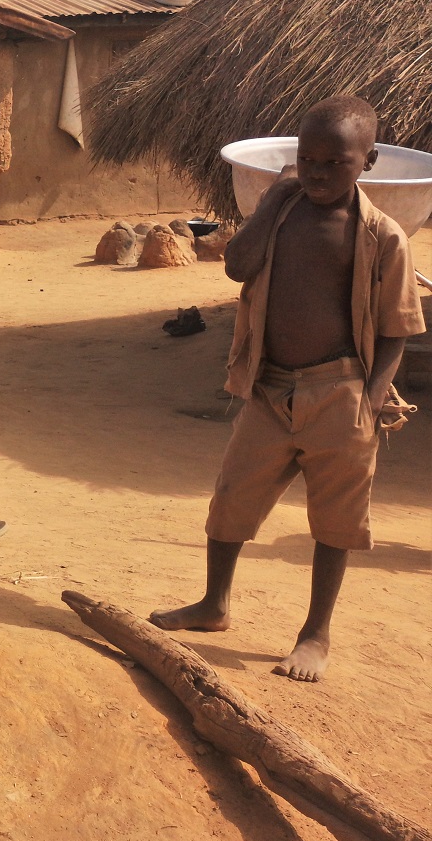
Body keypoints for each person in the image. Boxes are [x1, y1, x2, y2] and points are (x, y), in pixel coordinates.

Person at [151, 96, 423, 683]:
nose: (319, 173)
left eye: (336, 163)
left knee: (336, 520)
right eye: (308, 160)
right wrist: (273, 198)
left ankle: (315, 633)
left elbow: (399, 328)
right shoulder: (282, 213)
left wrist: (370, 400)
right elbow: (237, 265)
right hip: (269, 389)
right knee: (230, 500)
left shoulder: (382, 236)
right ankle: (213, 604)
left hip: (341, 390)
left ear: (369, 161)